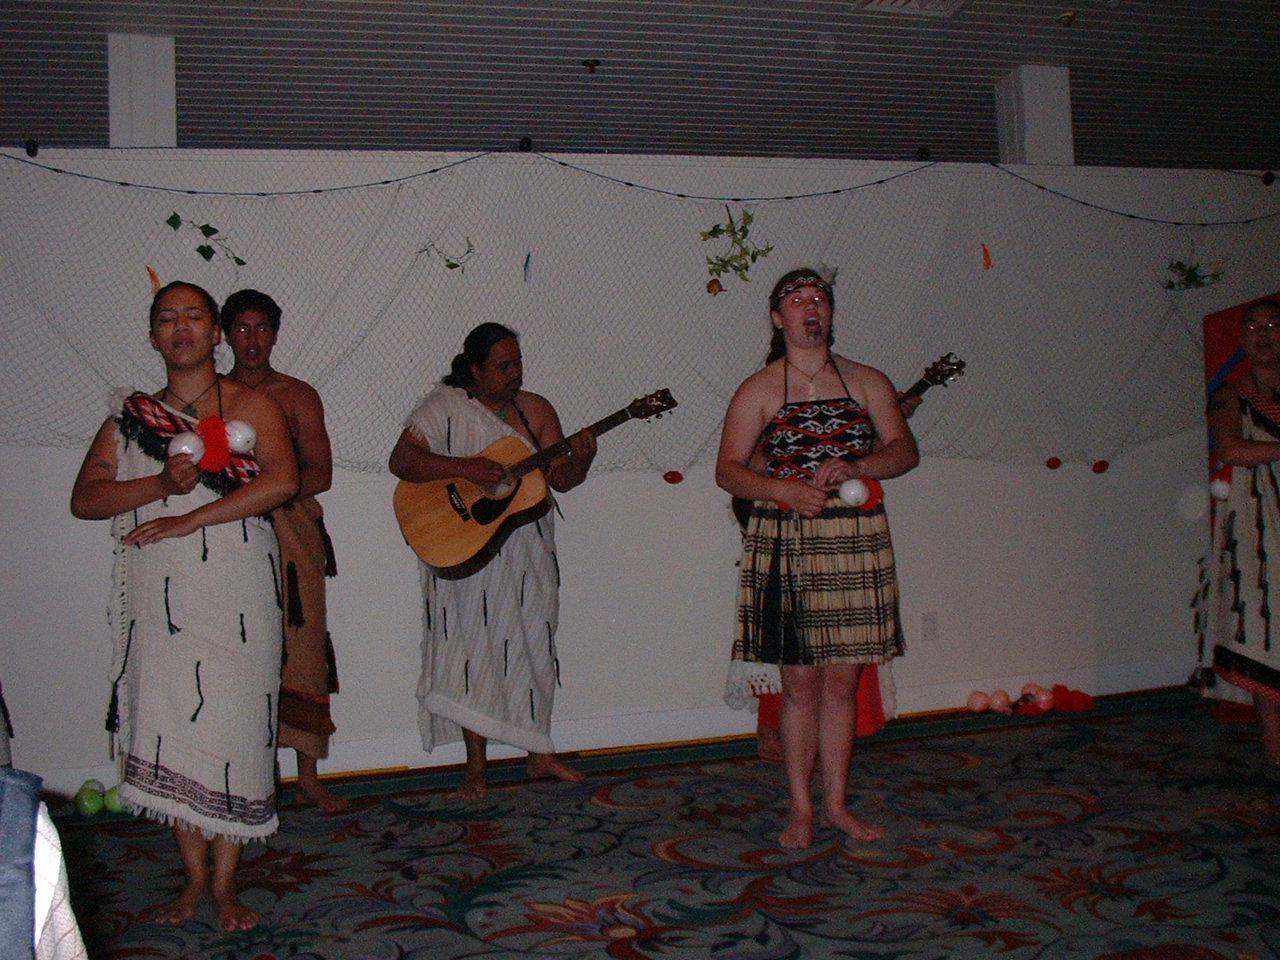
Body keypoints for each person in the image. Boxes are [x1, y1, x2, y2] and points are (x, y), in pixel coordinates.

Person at [70, 281, 297, 930]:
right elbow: (87, 499)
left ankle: (226, 885)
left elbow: (284, 481)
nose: (181, 328)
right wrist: (158, 485)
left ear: (215, 332)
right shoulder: (131, 418)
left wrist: (191, 517)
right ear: (152, 336)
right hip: (162, 595)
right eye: (167, 318)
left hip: (238, 587)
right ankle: (195, 879)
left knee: (235, 727)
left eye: (194, 316)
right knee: (175, 725)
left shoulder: (254, 404)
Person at [716, 268, 918, 849]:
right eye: (798, 300)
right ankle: (801, 809)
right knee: (800, 686)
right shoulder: (758, 389)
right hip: (787, 540)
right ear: (777, 318)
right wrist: (782, 490)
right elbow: (728, 471)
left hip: (854, 537)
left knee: (842, 686)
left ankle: (835, 804)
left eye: (820, 298)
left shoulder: (867, 381)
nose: (812, 307)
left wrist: (860, 466)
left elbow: (904, 451)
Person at [388, 323, 597, 799]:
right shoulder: (443, 407)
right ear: (475, 369)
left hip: (527, 549)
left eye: (518, 363)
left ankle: (538, 753)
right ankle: (476, 770)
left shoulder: (536, 410)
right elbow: (403, 461)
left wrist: (581, 459)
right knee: (470, 654)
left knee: (534, 645)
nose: (515, 373)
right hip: (463, 545)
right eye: (503, 366)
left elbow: (561, 480)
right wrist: (466, 468)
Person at [222, 289, 347, 814]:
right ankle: (246, 778)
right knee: (236, 646)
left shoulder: (297, 395)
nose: (252, 340)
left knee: (302, 645)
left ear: (275, 334)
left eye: (262, 329)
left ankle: (309, 778)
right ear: (225, 336)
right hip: (227, 531)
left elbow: (321, 472)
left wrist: (271, 491)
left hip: (292, 530)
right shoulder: (211, 396)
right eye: (241, 329)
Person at [1204, 297, 1280, 767]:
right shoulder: (1232, 396)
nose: (1263, 333)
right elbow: (1231, 449)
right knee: (1265, 640)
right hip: (1260, 531)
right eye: (1252, 326)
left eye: (1273, 324)